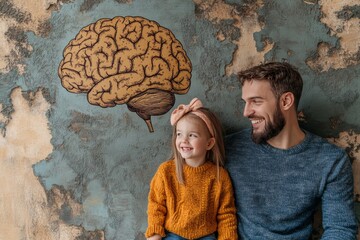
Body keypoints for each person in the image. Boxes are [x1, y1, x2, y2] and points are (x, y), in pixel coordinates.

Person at [225, 61, 357, 239]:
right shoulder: (230, 147)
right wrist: (188, 122)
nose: (246, 112)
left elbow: (340, 229)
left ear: (286, 101)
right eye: (245, 102)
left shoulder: (330, 160)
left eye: (256, 101)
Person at [145, 98, 238, 240]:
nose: (184, 140)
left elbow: (226, 214)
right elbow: (156, 207)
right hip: (173, 235)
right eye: (179, 134)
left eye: (192, 135)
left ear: (209, 143)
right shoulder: (166, 171)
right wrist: (155, 234)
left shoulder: (219, 176)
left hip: (206, 236)